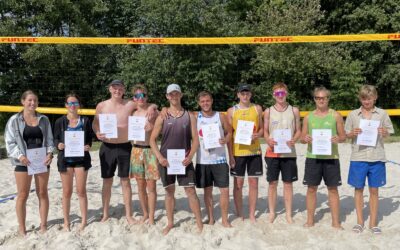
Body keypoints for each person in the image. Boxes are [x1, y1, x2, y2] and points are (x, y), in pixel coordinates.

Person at [92, 79, 157, 224]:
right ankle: (105, 214)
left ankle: (128, 215)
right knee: (107, 181)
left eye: (120, 88)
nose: (117, 90)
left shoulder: (130, 103)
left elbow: (146, 103)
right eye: (115, 88)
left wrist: (153, 106)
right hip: (107, 147)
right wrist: (97, 133)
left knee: (125, 182)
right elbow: (95, 124)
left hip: (125, 147)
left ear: (124, 90)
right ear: (109, 89)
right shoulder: (101, 105)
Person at [150, 83, 203, 235]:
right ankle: (170, 223)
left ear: (181, 95)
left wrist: (190, 156)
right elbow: (152, 140)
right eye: (171, 94)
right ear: (167, 96)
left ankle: (199, 223)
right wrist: (159, 157)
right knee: (169, 192)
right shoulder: (162, 116)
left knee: (191, 191)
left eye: (176, 93)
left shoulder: (189, 116)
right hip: (166, 161)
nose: (174, 96)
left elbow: (196, 140)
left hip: (184, 161)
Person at [345, 85, 394, 234]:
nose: (367, 101)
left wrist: (385, 132)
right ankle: (360, 222)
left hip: (377, 157)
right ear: (360, 98)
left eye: (370, 98)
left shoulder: (382, 114)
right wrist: (352, 133)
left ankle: (373, 223)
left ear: (375, 98)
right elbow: (346, 134)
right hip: (358, 157)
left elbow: (390, 132)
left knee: (374, 190)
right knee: (358, 189)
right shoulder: (353, 115)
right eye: (364, 98)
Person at [4, 90, 54, 235]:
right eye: (30, 100)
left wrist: (50, 153)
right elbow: (10, 142)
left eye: (35, 100)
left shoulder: (44, 119)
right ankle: (22, 228)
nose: (33, 103)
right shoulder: (14, 120)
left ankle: (43, 225)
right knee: (23, 194)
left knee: (42, 193)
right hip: (23, 163)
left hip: (41, 161)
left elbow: (50, 140)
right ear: (23, 101)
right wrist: (20, 156)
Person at [301, 86, 346, 229]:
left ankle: (335, 222)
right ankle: (310, 221)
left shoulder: (336, 115)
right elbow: (302, 138)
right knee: (311, 189)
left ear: (328, 99)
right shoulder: (308, 117)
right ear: (314, 99)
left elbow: (344, 137)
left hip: (331, 157)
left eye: (323, 98)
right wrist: (305, 138)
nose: (321, 100)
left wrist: (337, 139)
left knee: (332, 189)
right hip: (313, 157)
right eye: (318, 98)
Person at [53, 94, 92, 231]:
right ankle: (66, 222)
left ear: (79, 105)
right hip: (66, 161)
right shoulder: (60, 122)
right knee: (67, 192)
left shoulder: (85, 120)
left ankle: (84, 220)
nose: (72, 106)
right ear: (66, 105)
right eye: (70, 103)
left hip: (81, 160)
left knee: (81, 191)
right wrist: (59, 145)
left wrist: (87, 146)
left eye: (75, 103)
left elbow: (89, 140)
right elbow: (55, 139)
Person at [263, 82, 301, 224]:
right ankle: (272, 212)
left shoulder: (294, 110)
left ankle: (289, 214)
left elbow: (298, 130)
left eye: (282, 93)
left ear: (287, 94)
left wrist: (294, 140)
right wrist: (268, 140)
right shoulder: (268, 111)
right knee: (272, 183)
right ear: (273, 95)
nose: (280, 96)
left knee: (288, 183)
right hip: (272, 152)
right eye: (277, 93)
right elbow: (265, 132)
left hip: (289, 152)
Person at [195, 91, 232, 227]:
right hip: (203, 160)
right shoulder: (195, 117)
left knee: (224, 190)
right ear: (199, 103)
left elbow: (229, 132)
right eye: (202, 101)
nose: (205, 103)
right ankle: (211, 218)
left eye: (207, 100)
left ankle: (224, 219)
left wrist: (225, 139)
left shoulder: (220, 116)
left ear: (212, 101)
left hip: (220, 159)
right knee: (207, 191)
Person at [227, 84, 263, 223]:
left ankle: (252, 214)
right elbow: (230, 135)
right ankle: (240, 212)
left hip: (254, 151)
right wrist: (230, 155)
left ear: (251, 94)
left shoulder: (257, 108)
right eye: (242, 93)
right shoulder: (232, 111)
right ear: (238, 95)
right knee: (238, 184)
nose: (245, 95)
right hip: (238, 152)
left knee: (253, 183)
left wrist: (257, 135)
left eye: (247, 92)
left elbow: (260, 130)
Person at [129, 84, 159, 225]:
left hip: (150, 150)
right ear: (134, 98)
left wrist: (152, 127)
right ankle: (145, 213)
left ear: (147, 96)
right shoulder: (132, 112)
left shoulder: (154, 112)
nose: (140, 98)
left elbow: (163, 130)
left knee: (151, 186)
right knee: (140, 186)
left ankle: (152, 216)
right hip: (136, 151)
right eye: (137, 96)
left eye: (143, 95)